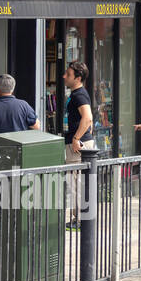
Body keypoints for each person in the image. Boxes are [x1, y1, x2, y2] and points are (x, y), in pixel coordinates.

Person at [63, 60, 94, 229]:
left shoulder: (79, 94)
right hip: (81, 141)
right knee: (76, 182)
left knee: (76, 183)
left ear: (78, 77)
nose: (64, 76)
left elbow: (88, 117)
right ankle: (81, 219)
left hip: (77, 144)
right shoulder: (78, 94)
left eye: (68, 74)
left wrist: (76, 139)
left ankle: (80, 220)